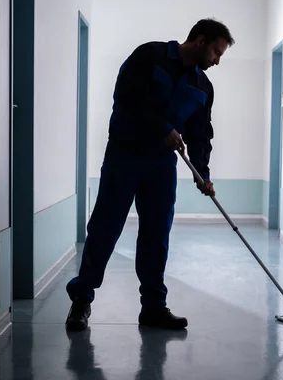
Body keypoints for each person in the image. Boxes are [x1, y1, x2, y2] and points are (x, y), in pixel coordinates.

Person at [65, 18, 234, 332]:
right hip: (124, 155)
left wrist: (202, 173)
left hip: (161, 165)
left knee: (157, 236)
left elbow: (200, 135)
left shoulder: (203, 87)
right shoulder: (149, 56)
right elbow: (127, 97)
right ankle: (81, 302)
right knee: (105, 227)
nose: (217, 60)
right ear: (200, 41)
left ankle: (153, 308)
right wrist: (163, 128)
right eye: (216, 51)